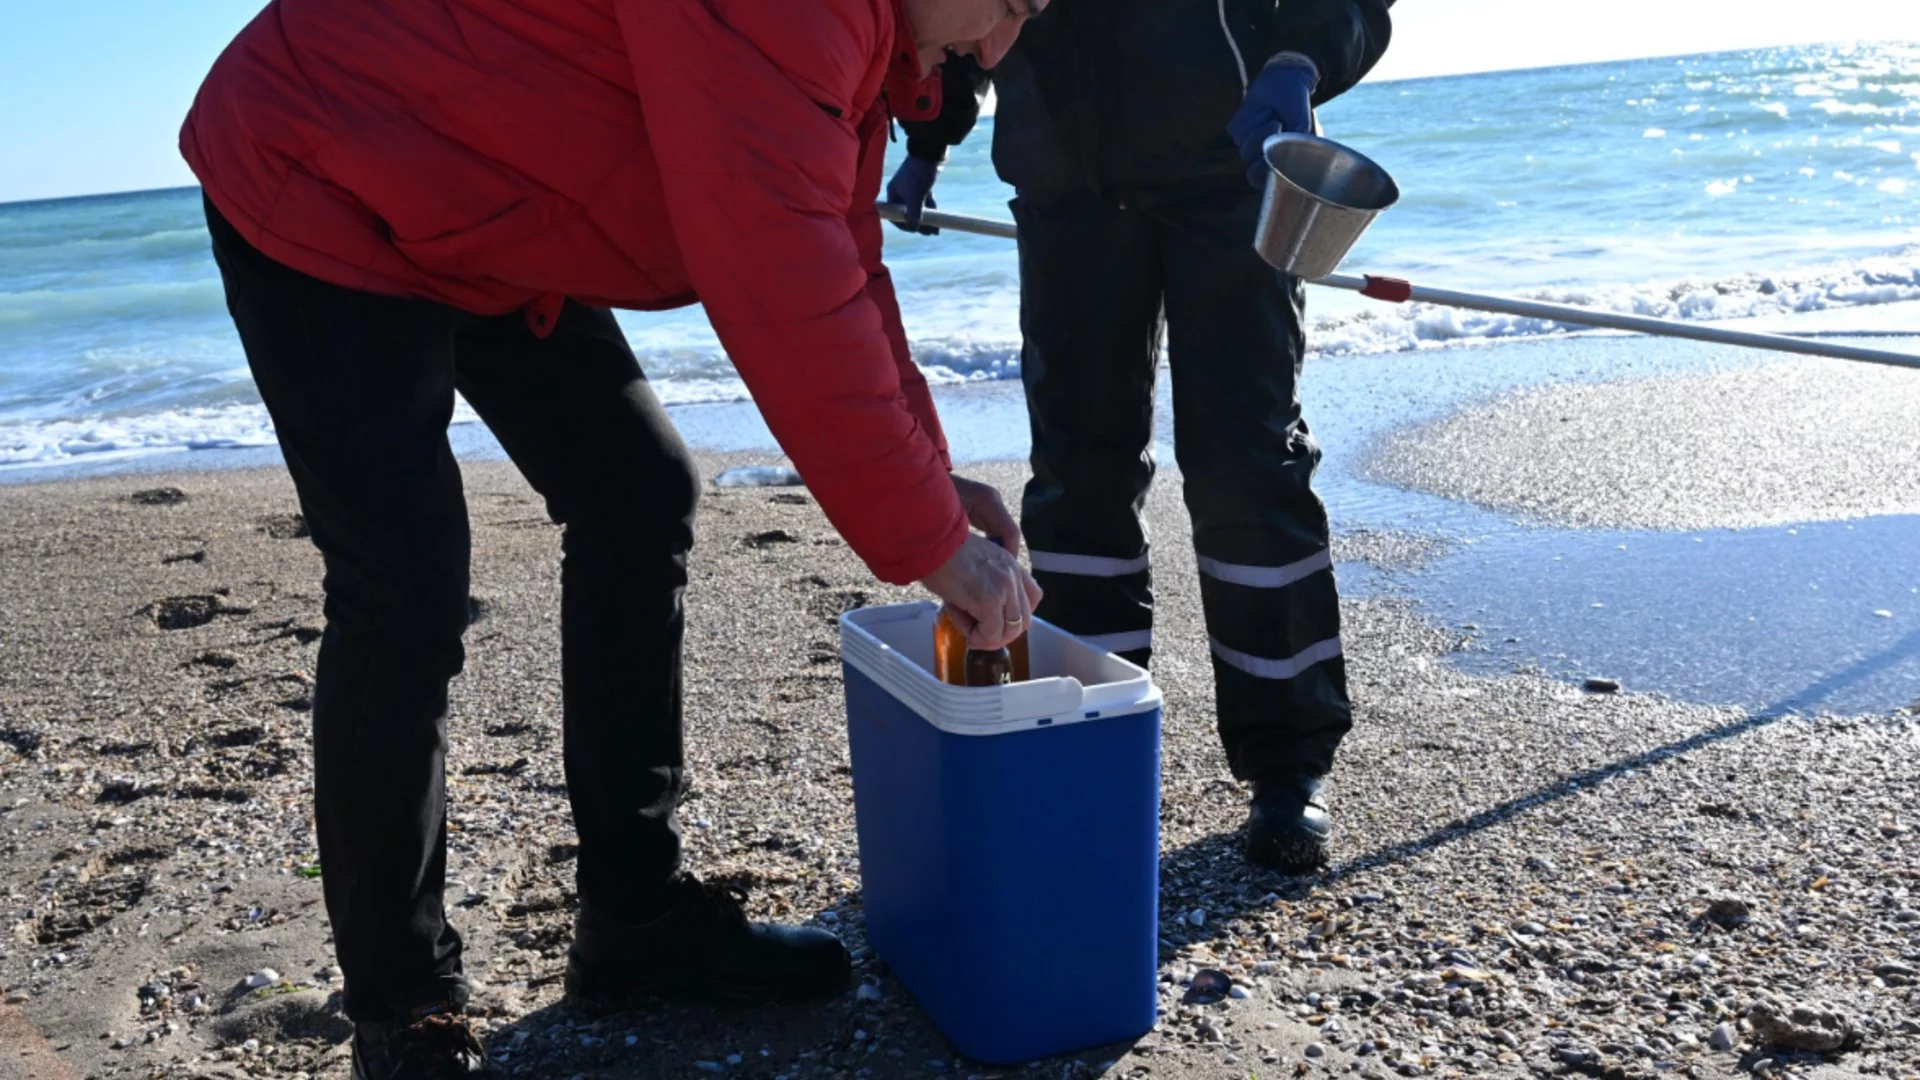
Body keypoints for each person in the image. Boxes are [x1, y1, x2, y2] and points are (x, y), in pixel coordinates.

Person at [181, 1, 1044, 1076]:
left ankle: (632, 921)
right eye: (1013, 1)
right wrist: (927, 537)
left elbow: (843, 256)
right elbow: (778, 273)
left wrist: (930, 476)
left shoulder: (863, 39)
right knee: (403, 585)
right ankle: (402, 1007)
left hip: (487, 197)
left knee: (638, 490)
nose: (1002, 48)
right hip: (324, 158)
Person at [890, 0, 1391, 873]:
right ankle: (1087, 738)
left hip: (1232, 178)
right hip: (1063, 188)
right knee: (1078, 475)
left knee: (1247, 466)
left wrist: (1300, 60)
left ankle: (1287, 764)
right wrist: (927, 134)